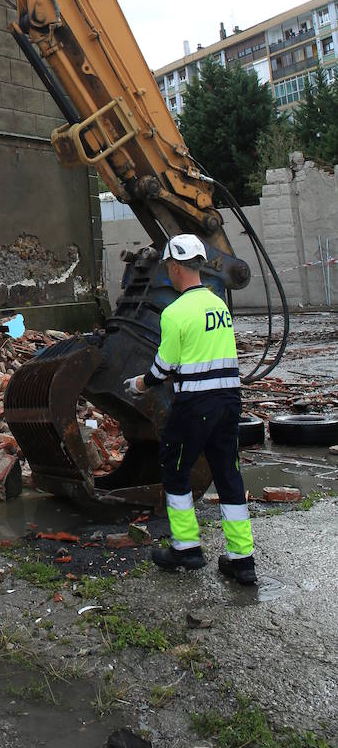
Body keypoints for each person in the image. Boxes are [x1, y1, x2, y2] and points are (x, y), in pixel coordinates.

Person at [123, 233, 256, 585]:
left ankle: (187, 548)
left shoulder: (175, 312)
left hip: (196, 404)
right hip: (230, 403)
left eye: (168, 266)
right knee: (228, 474)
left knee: (174, 468)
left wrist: (139, 385)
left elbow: (163, 368)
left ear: (173, 267)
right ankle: (242, 560)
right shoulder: (219, 306)